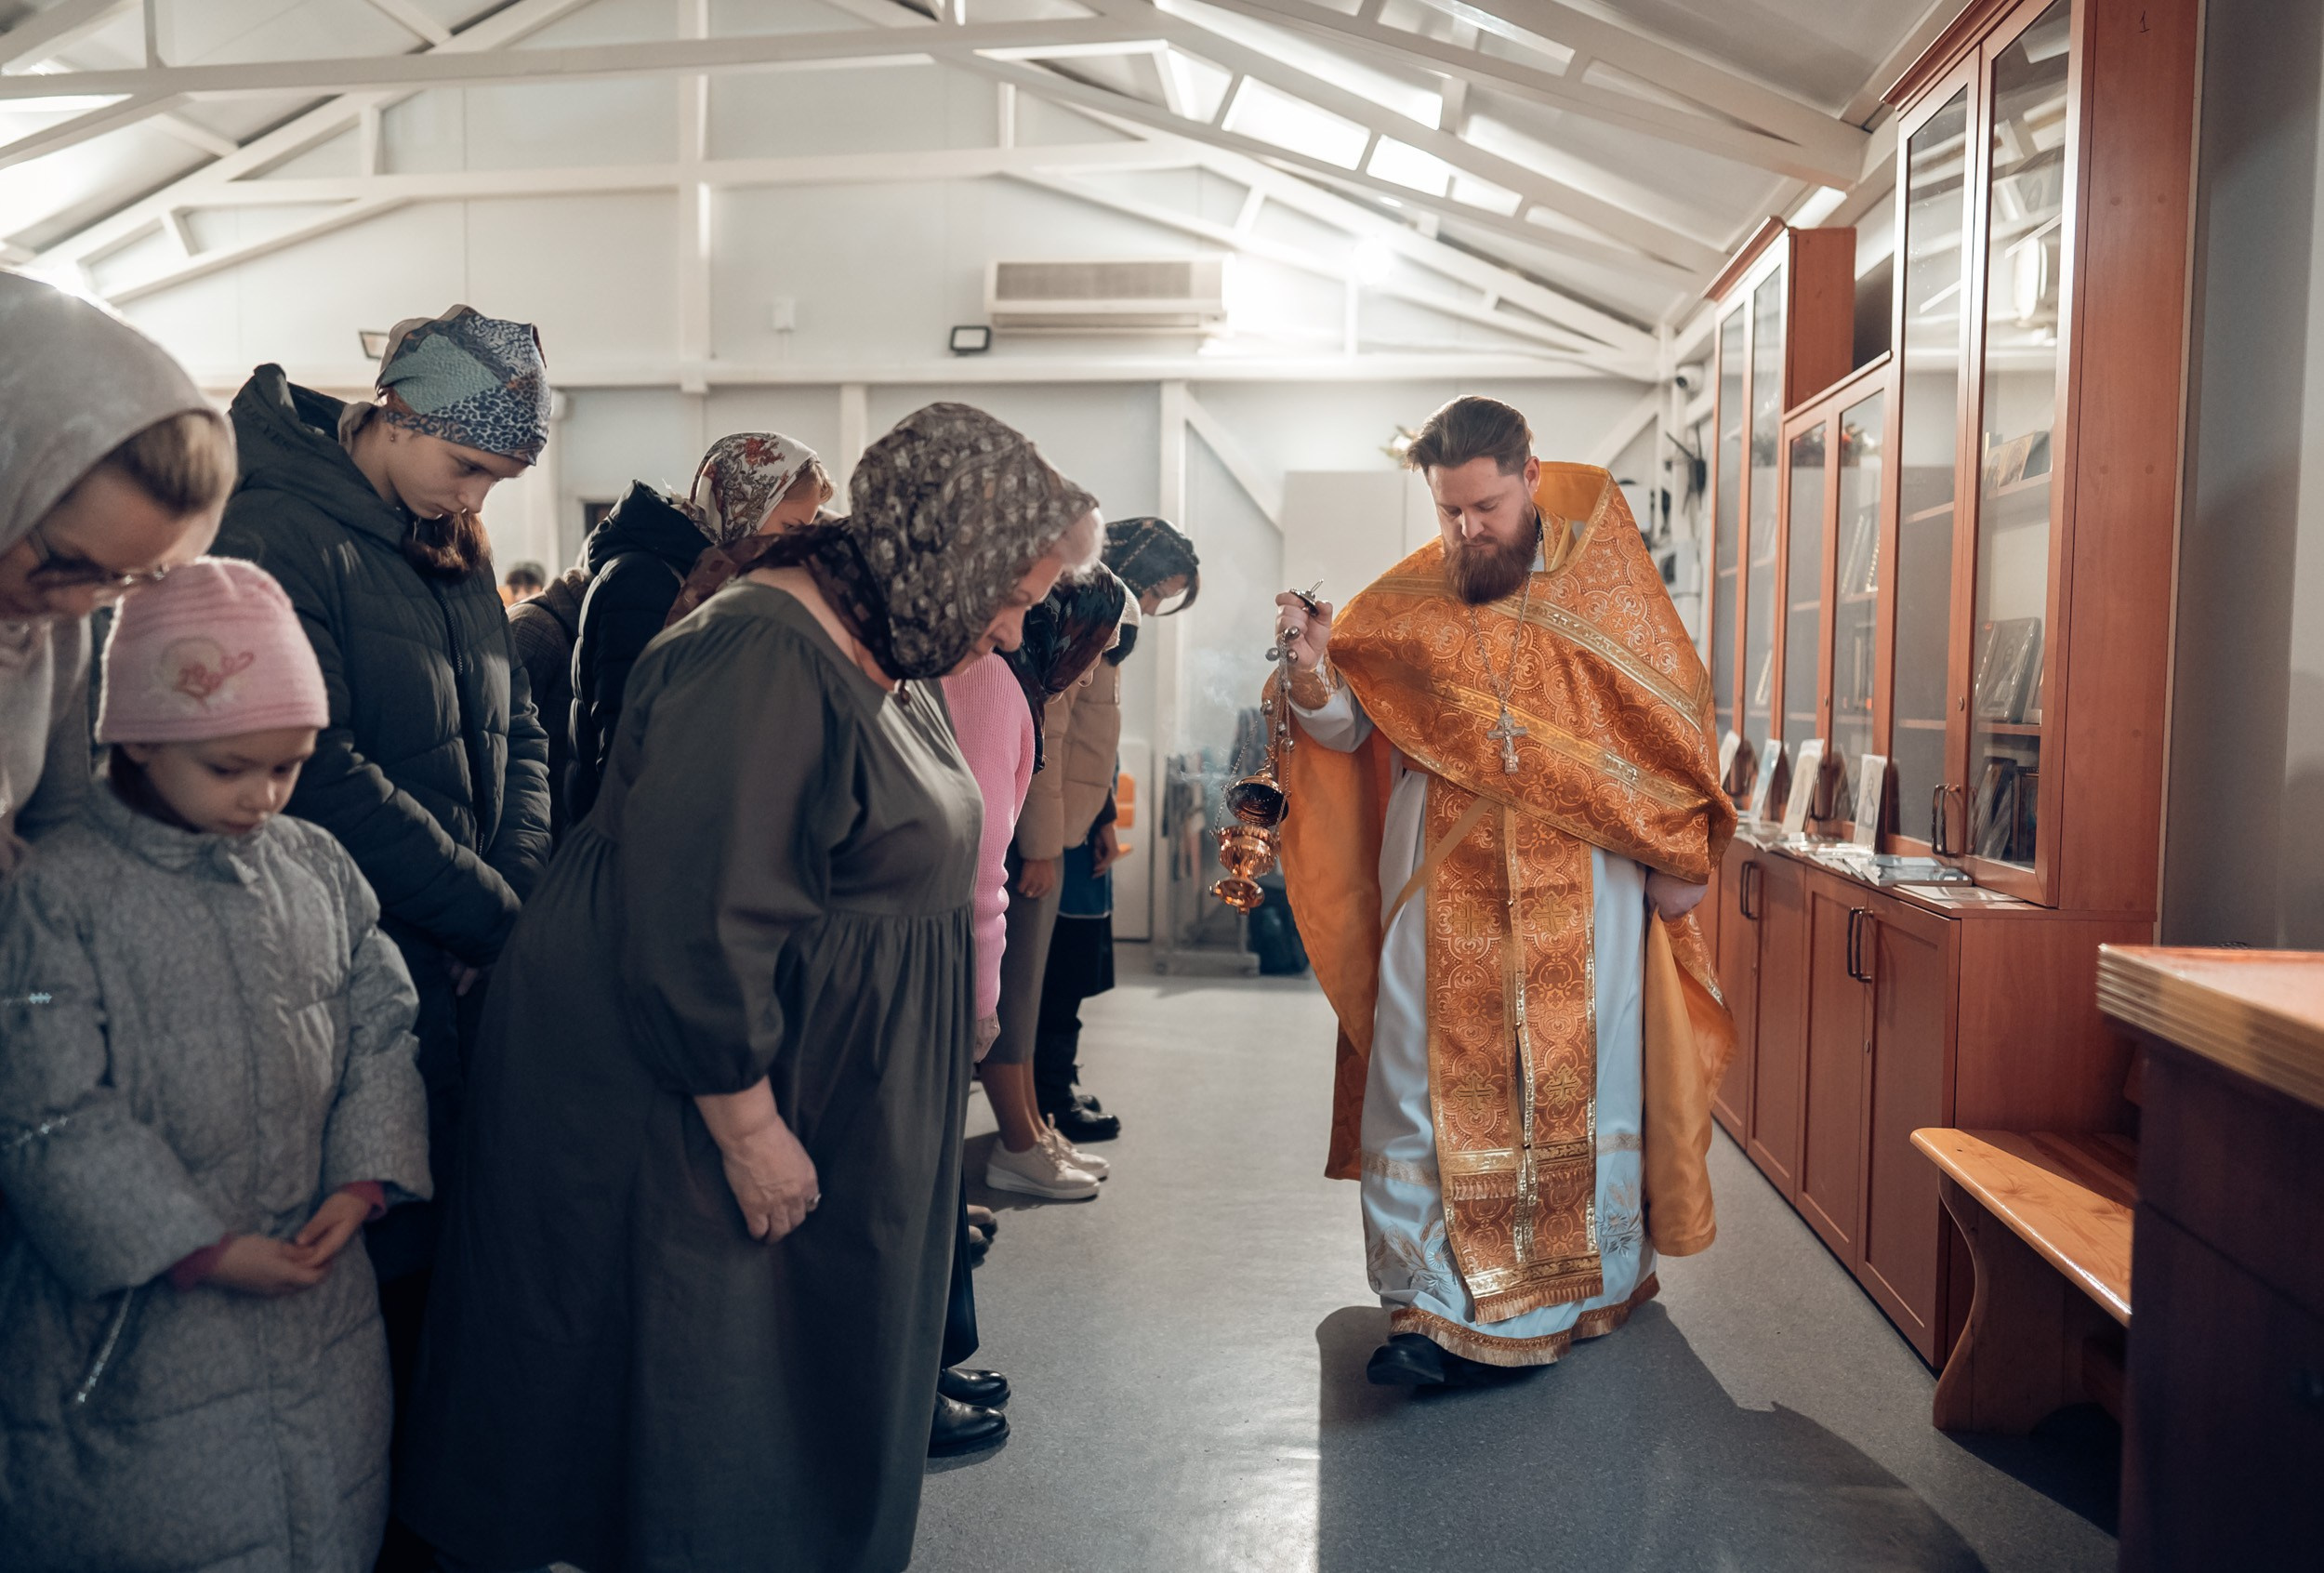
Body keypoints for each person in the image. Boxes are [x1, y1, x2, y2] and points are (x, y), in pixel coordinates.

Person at [398, 404, 1100, 1573]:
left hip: (791, 1082)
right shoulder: (762, 651)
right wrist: (750, 1127)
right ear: (946, 558)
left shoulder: (890, 639)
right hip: (687, 1096)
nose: (1018, 624)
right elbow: (699, 914)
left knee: (771, 1398)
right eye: (1013, 593)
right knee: (698, 1398)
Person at [1272, 395, 1735, 1386]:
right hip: (1435, 892)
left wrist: (1676, 857)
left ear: (1530, 476)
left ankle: (1573, 1290)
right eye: (1446, 511)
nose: (1464, 531)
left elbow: (1670, 733)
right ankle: (1426, 1306)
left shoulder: (1607, 592)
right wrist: (1313, 672)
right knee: (1415, 1089)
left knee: (1570, 1085)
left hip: (1588, 897)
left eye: (1482, 507)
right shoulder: (1400, 606)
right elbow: (1351, 729)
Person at [0, 559, 430, 1572]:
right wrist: (190, 1245)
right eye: (230, 768)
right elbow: (46, 1107)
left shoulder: (314, 862)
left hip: (324, 1327)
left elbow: (380, 1021)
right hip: (134, 1346)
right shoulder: (57, 893)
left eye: (286, 767)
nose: (262, 797)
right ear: (137, 737)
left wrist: (362, 1177)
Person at [208, 305, 553, 1567]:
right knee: (380, 1270)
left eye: (496, 480)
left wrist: (512, 892)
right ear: (395, 412)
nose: (478, 498)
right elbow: (320, 770)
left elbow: (516, 726)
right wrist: (485, 909)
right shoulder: (274, 529)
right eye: (466, 466)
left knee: (456, 1281)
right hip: (356, 956)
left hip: (464, 946)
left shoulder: (441, 531)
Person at [0, 271, 233, 875]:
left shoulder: (50, 627)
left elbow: (56, 822)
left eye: (122, 577)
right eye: (67, 563)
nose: (80, 606)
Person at [1034, 516, 1202, 1141]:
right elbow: (1058, 735)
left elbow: (1097, 736)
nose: (1153, 608)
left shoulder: (1107, 625)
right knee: (1050, 967)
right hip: (1057, 826)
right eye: (1157, 592)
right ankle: (1044, 1097)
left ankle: (1054, 1085)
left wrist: (1104, 810)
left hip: (1080, 815)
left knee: (1069, 965)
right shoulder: (1079, 615)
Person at [567, 431, 827, 821]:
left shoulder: (723, 579)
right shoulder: (645, 580)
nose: (794, 547)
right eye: (790, 528)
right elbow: (627, 743)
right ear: (746, 505)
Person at [984, 569, 1129, 1201]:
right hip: (1021, 848)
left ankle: (1032, 1129)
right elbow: (1037, 765)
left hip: (1041, 839)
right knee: (1009, 1002)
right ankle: (1018, 1140)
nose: (1097, 663)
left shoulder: (1036, 666)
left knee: (1022, 995)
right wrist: (1042, 848)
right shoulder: (1011, 673)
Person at [504, 549, 591, 842]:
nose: (520, 593)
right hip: (534, 827)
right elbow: (507, 741)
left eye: (526, 586)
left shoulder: (565, 625)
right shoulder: (535, 625)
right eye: (515, 587)